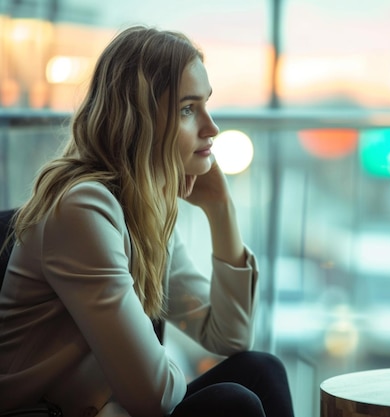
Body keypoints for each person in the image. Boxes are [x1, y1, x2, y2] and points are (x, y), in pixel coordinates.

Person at [0, 26, 295, 417]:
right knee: (234, 404)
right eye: (188, 109)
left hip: (103, 408)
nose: (212, 127)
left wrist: (220, 209)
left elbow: (229, 335)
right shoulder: (83, 209)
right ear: (140, 120)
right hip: (46, 413)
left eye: (206, 104)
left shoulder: (143, 208)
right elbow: (153, 398)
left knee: (262, 371)